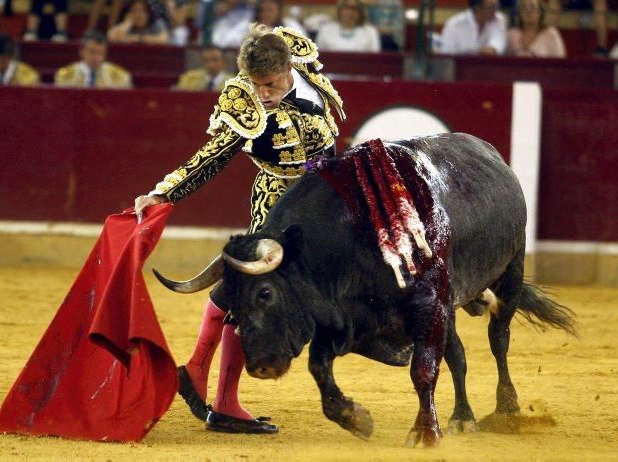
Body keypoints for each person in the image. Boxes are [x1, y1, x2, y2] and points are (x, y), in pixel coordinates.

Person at [133, 23, 345, 434]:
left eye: (268, 84)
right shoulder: (244, 101)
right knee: (255, 291)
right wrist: (164, 193)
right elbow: (210, 157)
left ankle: (196, 370)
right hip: (277, 202)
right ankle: (223, 399)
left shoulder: (295, 52)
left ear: (288, 67)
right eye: (255, 84)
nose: (262, 94)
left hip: (323, 202)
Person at [54, 32, 133, 89]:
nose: (96, 57)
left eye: (100, 53)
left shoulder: (120, 76)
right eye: (91, 52)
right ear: (82, 51)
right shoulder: (65, 76)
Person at [438, 0, 507, 55]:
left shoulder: (499, 19)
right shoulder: (454, 24)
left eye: (496, 7)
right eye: (491, 7)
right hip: (458, 68)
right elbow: (446, 53)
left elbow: (498, 44)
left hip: (487, 67)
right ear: (477, 8)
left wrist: (492, 49)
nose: (495, 11)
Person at [315, 0, 382, 52]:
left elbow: (374, 61)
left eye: (354, 8)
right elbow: (318, 57)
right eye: (346, 8)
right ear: (339, 10)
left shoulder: (370, 31)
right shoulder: (326, 29)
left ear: (361, 12)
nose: (350, 12)